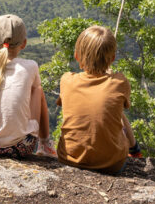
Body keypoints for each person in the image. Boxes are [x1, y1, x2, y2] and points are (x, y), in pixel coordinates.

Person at [0, 14, 56, 159]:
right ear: (24, 43)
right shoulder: (30, 66)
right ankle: (45, 143)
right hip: (21, 148)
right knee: (38, 90)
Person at [56, 25, 141, 175]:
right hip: (112, 165)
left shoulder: (66, 80)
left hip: (69, 159)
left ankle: (134, 150)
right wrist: (108, 76)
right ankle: (134, 150)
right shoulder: (120, 82)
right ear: (113, 58)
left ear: (77, 56)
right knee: (117, 111)